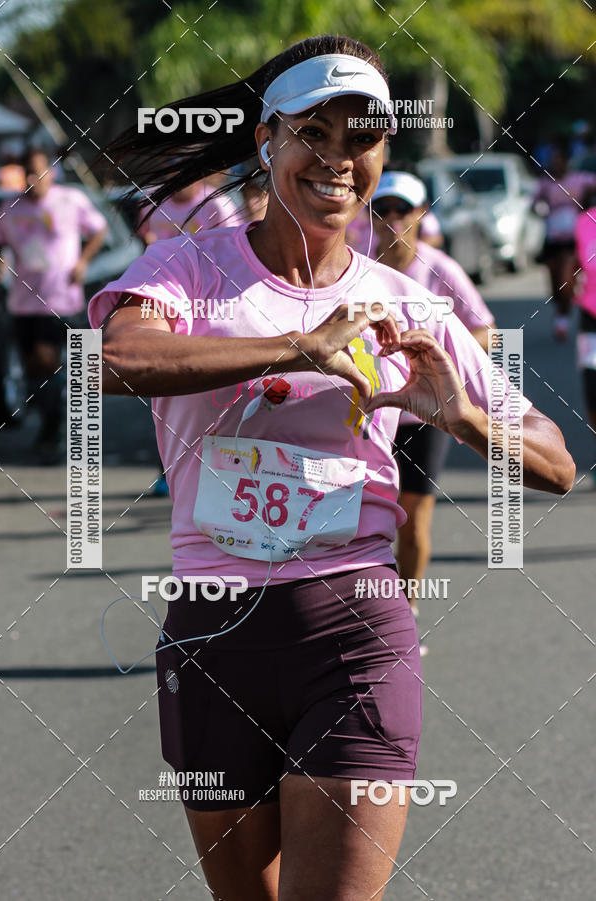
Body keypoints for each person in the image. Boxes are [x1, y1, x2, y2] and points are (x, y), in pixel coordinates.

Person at [90, 36, 575, 901]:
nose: (340, 159)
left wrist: (460, 416)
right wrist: (297, 346)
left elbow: (556, 462)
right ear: (265, 139)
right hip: (212, 635)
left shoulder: (408, 302)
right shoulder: (188, 271)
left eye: (364, 138)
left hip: (356, 631)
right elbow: (115, 360)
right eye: (316, 131)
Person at [371, 171, 495, 651]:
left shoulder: (439, 269)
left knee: (414, 518)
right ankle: (366, 614)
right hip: (372, 414)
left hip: (428, 417)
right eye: (382, 209)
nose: (392, 220)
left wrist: (441, 346)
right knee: (362, 519)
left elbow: (486, 329)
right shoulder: (355, 266)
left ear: (423, 215)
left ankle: (407, 611)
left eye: (403, 210)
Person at [0, 149, 107, 462]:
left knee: (48, 359)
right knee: (34, 367)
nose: (33, 180)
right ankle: (52, 414)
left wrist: (84, 261)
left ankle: (58, 420)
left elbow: (99, 230)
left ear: (51, 174)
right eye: (27, 174)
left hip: (60, 299)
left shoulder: (70, 200)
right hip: (22, 302)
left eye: (38, 173)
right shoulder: (10, 207)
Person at [137, 176, 241, 496]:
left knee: (210, 397)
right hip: (166, 302)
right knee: (166, 389)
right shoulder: (154, 200)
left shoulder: (217, 204)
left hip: (210, 305)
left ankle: (224, 470)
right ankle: (167, 471)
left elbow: (236, 248)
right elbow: (146, 241)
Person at [532, 144, 596, 342]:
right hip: (552, 238)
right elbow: (533, 205)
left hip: (572, 240)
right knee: (554, 283)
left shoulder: (580, 180)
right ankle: (560, 310)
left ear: (567, 162)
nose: (557, 164)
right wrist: (541, 210)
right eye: (554, 161)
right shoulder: (545, 183)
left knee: (566, 280)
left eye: (561, 160)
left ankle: (563, 320)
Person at [573, 187, 596, 485]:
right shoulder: (586, 221)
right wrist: (564, 316)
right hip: (591, 318)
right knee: (593, 390)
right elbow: (574, 265)